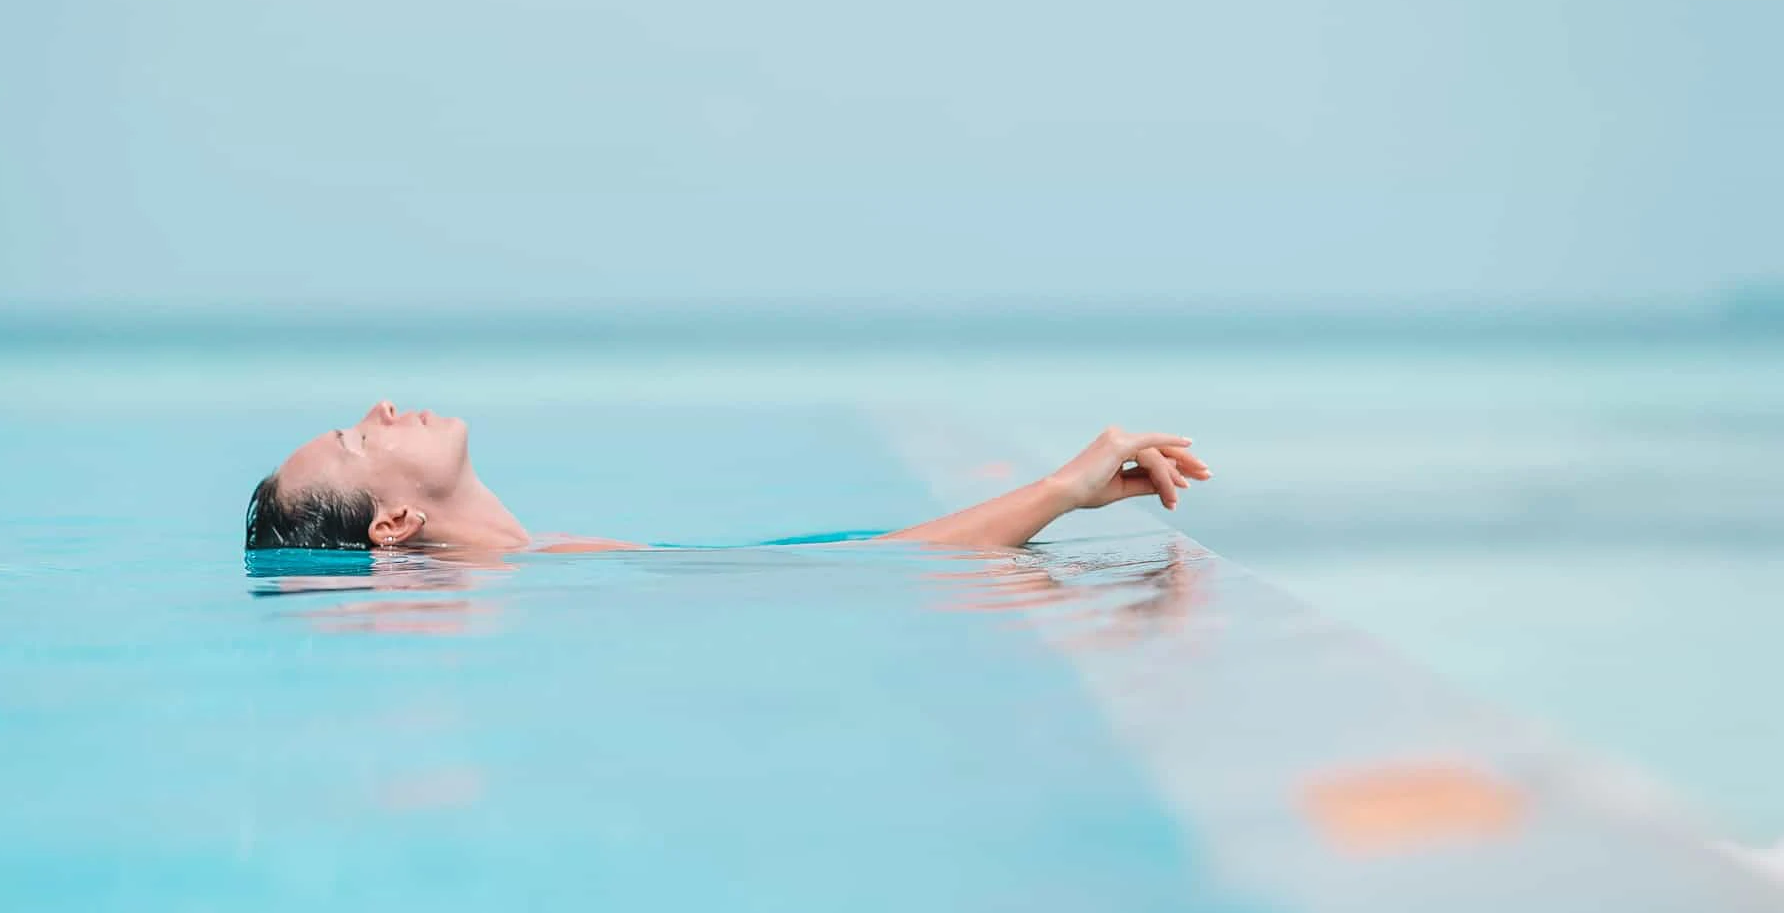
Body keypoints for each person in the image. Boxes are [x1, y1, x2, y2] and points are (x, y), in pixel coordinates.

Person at [244, 401, 1210, 554]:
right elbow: (878, 571)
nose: (378, 407)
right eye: (355, 440)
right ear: (396, 520)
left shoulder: (553, 569)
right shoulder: (556, 576)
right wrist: (1060, 490)